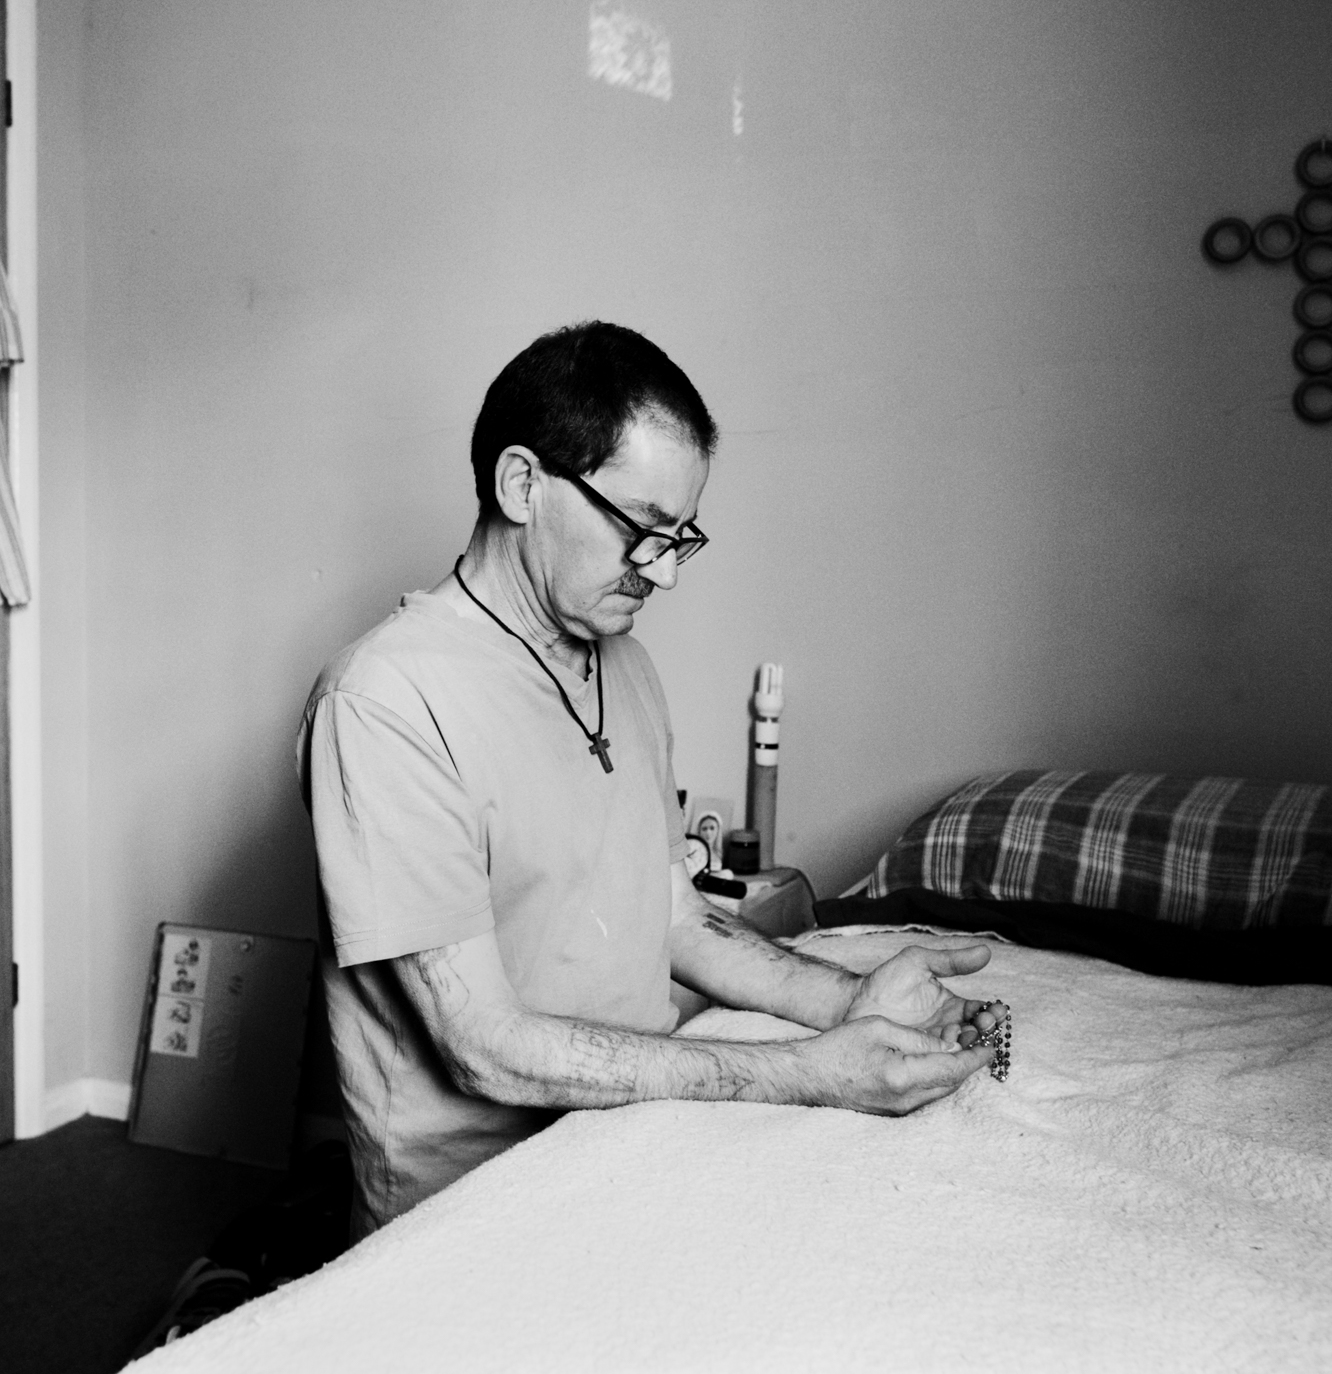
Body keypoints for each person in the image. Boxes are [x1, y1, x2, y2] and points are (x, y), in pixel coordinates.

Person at [298, 321, 1001, 1235]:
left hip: (631, 1144)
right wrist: (808, 1072)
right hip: (469, 1208)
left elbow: (671, 918)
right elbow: (486, 1050)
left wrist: (850, 1000)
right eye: (642, 529)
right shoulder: (383, 701)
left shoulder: (622, 665)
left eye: (681, 537)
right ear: (522, 485)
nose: (661, 573)